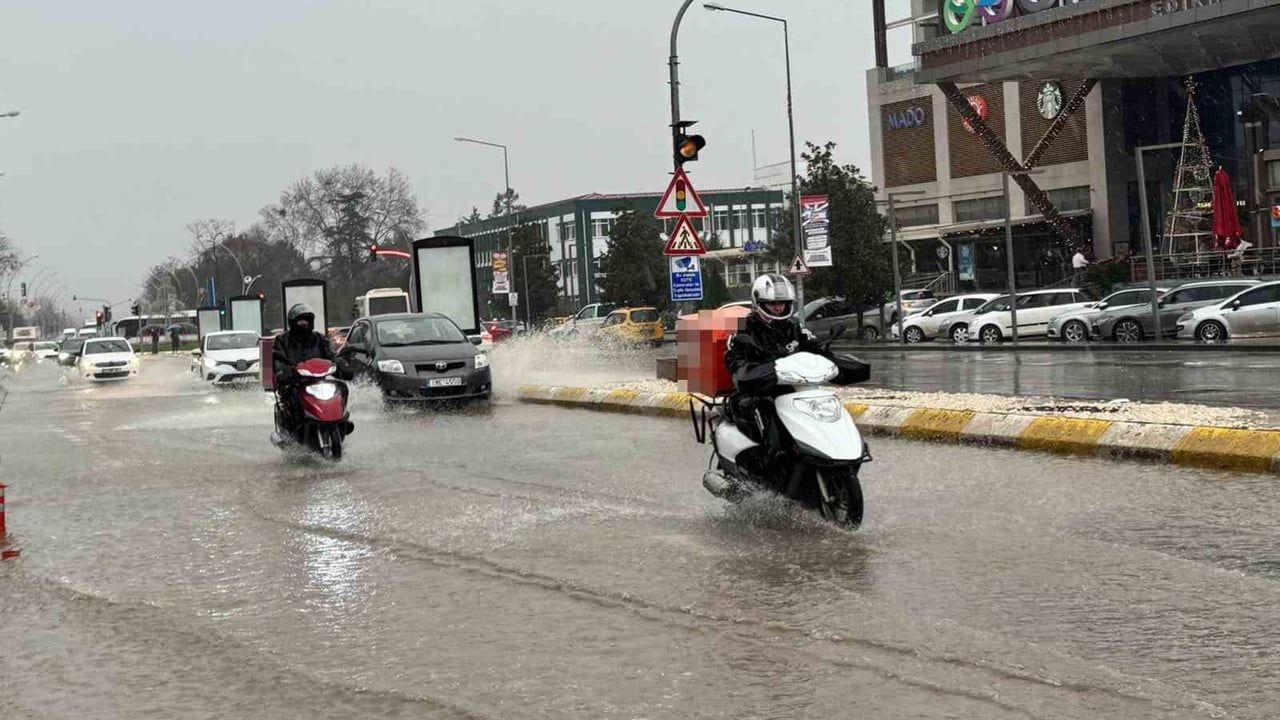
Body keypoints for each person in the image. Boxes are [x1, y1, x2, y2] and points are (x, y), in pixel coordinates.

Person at [723, 274, 830, 474]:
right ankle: (765, 471)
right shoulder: (744, 330)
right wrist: (747, 372)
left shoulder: (794, 327)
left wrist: (831, 358)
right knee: (770, 424)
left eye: (782, 303)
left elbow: (813, 348)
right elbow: (735, 361)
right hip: (756, 391)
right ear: (759, 303)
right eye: (772, 304)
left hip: (792, 389)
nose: (778, 308)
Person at [271, 303, 345, 435]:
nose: (304, 324)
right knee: (292, 395)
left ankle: (341, 417)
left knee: (341, 388)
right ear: (292, 322)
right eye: (300, 321)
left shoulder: (319, 338)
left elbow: (330, 355)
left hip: (319, 381)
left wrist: (340, 364)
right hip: (295, 382)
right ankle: (293, 429)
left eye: (306, 320)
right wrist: (284, 371)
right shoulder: (282, 340)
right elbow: (278, 359)